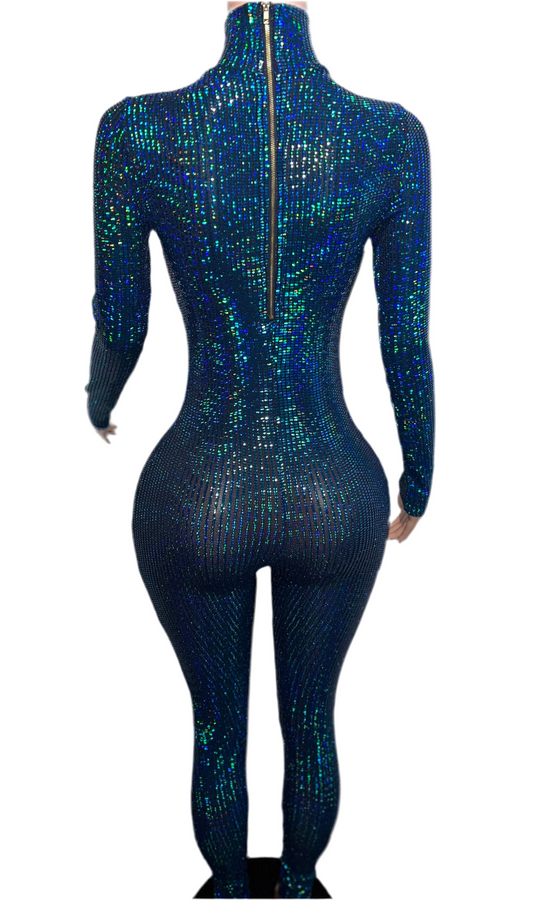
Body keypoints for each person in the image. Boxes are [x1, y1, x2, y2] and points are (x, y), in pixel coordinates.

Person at [85, 1, 435, 896]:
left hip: (196, 486)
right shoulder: (388, 138)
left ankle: (233, 889)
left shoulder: (139, 133)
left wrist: (98, 399)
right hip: (335, 486)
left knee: (215, 729)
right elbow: (403, 334)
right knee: (312, 721)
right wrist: (419, 478)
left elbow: (121, 319)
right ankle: (303, 880)